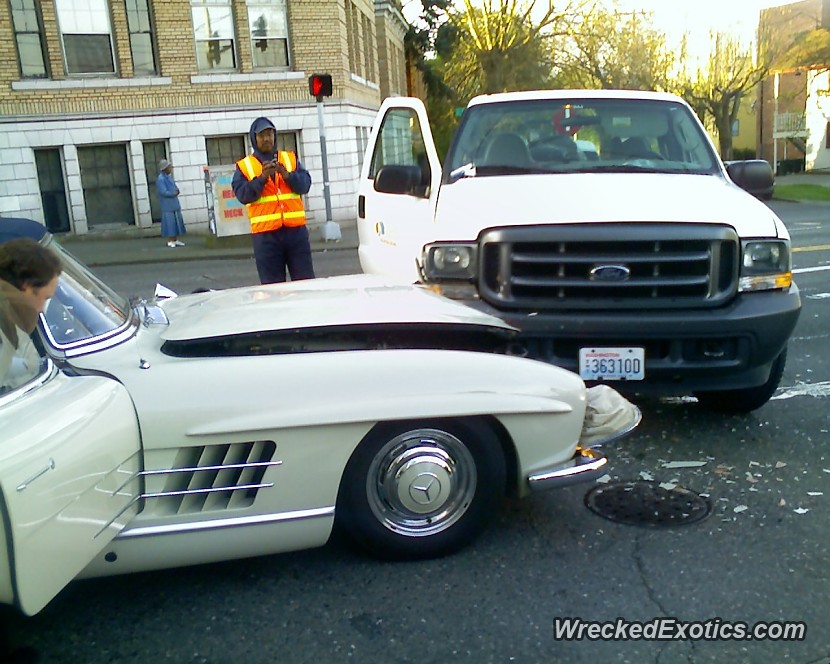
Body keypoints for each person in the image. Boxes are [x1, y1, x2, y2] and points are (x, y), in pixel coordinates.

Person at [232, 117, 315, 284]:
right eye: (262, 135)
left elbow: (305, 185)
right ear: (254, 139)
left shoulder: (289, 159)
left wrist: (287, 176)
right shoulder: (245, 166)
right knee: (273, 288)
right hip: (266, 237)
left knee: (306, 284)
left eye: (270, 134)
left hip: (295, 233)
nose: (267, 139)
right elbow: (243, 195)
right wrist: (262, 178)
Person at [0, 237, 61, 390]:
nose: (41, 309)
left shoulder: (9, 318)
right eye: (45, 298)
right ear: (26, 286)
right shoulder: (5, 324)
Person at [156, 159, 186, 248]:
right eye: (169, 167)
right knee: (170, 223)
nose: (171, 168)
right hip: (167, 205)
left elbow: (174, 187)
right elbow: (163, 192)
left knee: (176, 222)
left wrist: (176, 190)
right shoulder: (160, 179)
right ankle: (170, 240)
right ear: (164, 168)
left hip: (174, 203)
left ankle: (175, 239)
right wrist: (173, 193)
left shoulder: (169, 177)